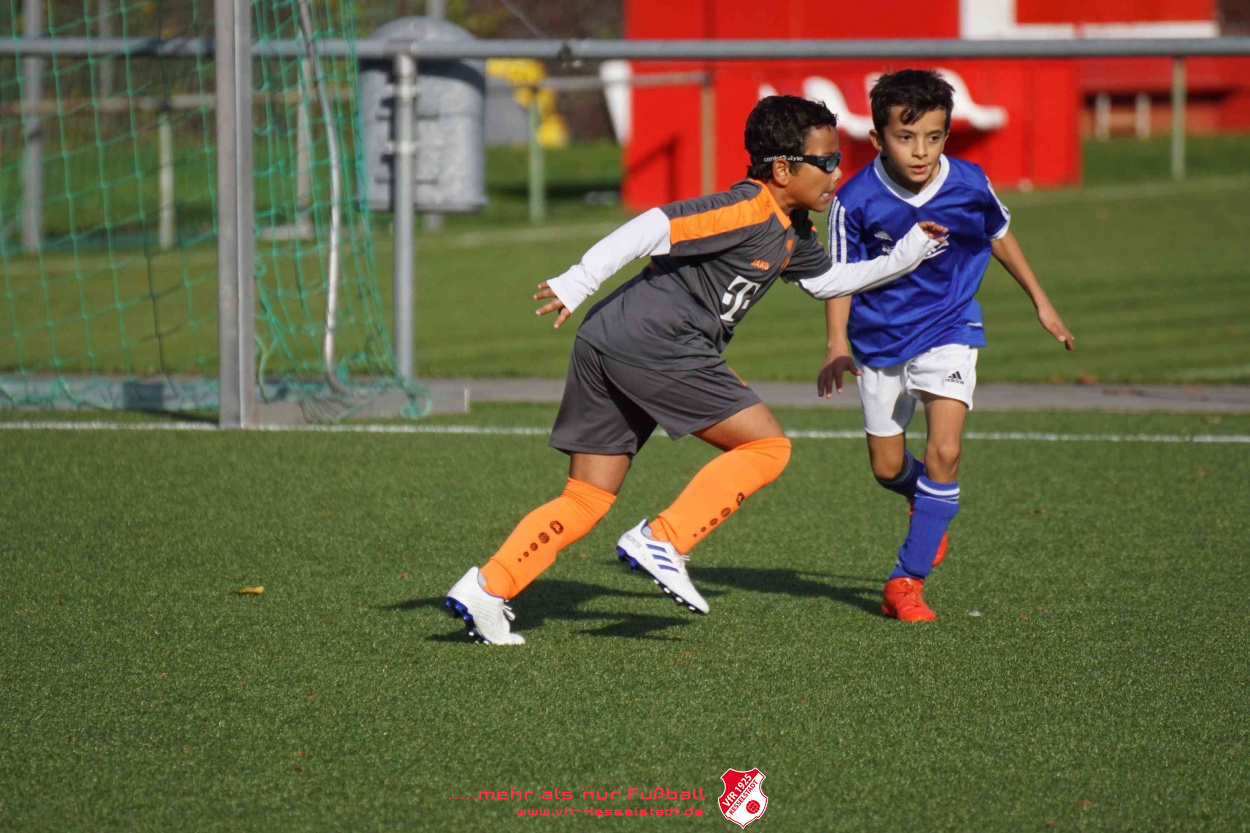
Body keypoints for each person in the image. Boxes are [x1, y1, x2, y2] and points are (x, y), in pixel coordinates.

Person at [445, 95, 947, 644]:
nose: (837, 174)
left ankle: (488, 587)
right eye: (826, 162)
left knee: (588, 496)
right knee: (767, 446)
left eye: (838, 161)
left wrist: (907, 254)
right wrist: (578, 279)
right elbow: (651, 226)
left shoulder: (794, 230)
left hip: (608, 337)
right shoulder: (746, 207)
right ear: (783, 170)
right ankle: (664, 539)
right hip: (655, 341)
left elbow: (829, 283)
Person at [817, 69, 1074, 622]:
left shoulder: (969, 183)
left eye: (933, 137)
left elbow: (999, 235)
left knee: (946, 452)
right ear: (877, 138)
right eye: (906, 137)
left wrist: (1041, 302)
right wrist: (837, 343)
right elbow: (839, 278)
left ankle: (906, 581)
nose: (921, 151)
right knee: (887, 468)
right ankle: (924, 500)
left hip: (949, 327)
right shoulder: (853, 201)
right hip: (879, 338)